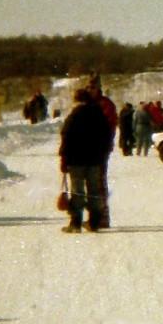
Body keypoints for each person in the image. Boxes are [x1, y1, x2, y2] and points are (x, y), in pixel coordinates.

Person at [58, 89, 113, 232]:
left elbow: (66, 137)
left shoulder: (74, 115)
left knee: (77, 191)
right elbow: (107, 136)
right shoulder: (99, 115)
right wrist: (103, 154)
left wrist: (64, 158)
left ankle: (75, 223)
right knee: (94, 190)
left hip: (76, 161)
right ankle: (94, 222)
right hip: (95, 160)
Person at [87, 75, 117, 228]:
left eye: (93, 87)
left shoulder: (105, 104)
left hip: (100, 148)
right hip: (88, 148)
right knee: (91, 183)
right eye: (88, 87)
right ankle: (95, 215)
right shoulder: (87, 104)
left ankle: (102, 217)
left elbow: (110, 127)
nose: (90, 89)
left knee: (99, 182)